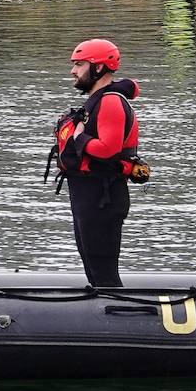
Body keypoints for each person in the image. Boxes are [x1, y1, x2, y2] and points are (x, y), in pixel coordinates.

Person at [52, 38, 148, 287]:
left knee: (103, 270)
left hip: (102, 196)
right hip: (86, 193)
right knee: (91, 266)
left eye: (79, 64)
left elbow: (108, 150)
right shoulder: (96, 101)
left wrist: (79, 137)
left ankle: (118, 317)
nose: (73, 70)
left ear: (99, 67)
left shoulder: (111, 102)